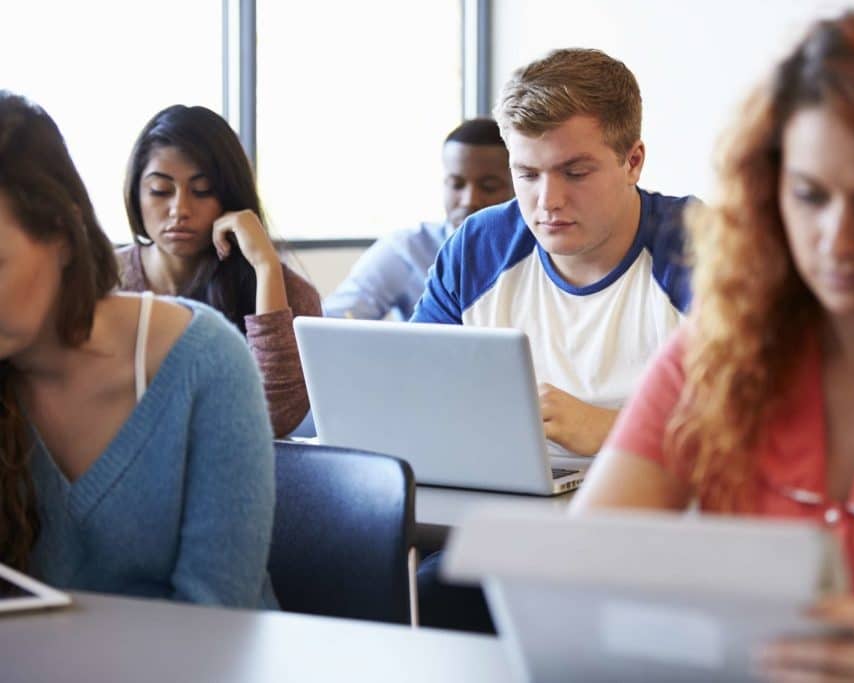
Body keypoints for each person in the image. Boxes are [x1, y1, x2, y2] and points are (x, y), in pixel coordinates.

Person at [574, 9, 854, 680]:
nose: (838, 242)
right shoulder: (724, 348)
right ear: (768, 192)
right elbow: (581, 570)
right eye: (810, 196)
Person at [0, 92, 276, 608]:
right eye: (160, 190)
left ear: (63, 234)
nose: (179, 210)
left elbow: (216, 616)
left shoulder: (204, 361)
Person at [412, 48, 696, 457]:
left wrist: (616, 431)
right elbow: (416, 390)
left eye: (575, 173)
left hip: (664, 503)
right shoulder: (478, 246)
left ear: (633, 162)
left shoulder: (702, 248)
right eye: (527, 175)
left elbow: (766, 427)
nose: (548, 201)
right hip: (501, 493)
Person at [119, 105, 321, 438]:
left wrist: (265, 267)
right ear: (135, 193)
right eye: (160, 190)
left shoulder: (288, 293)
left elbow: (274, 419)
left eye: (202, 191)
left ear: (229, 196)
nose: (179, 210)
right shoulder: (104, 280)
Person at [323, 118, 513, 320]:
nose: (470, 200)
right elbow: (335, 321)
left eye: (489, 187)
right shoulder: (406, 249)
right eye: (456, 185)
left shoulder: (537, 251)